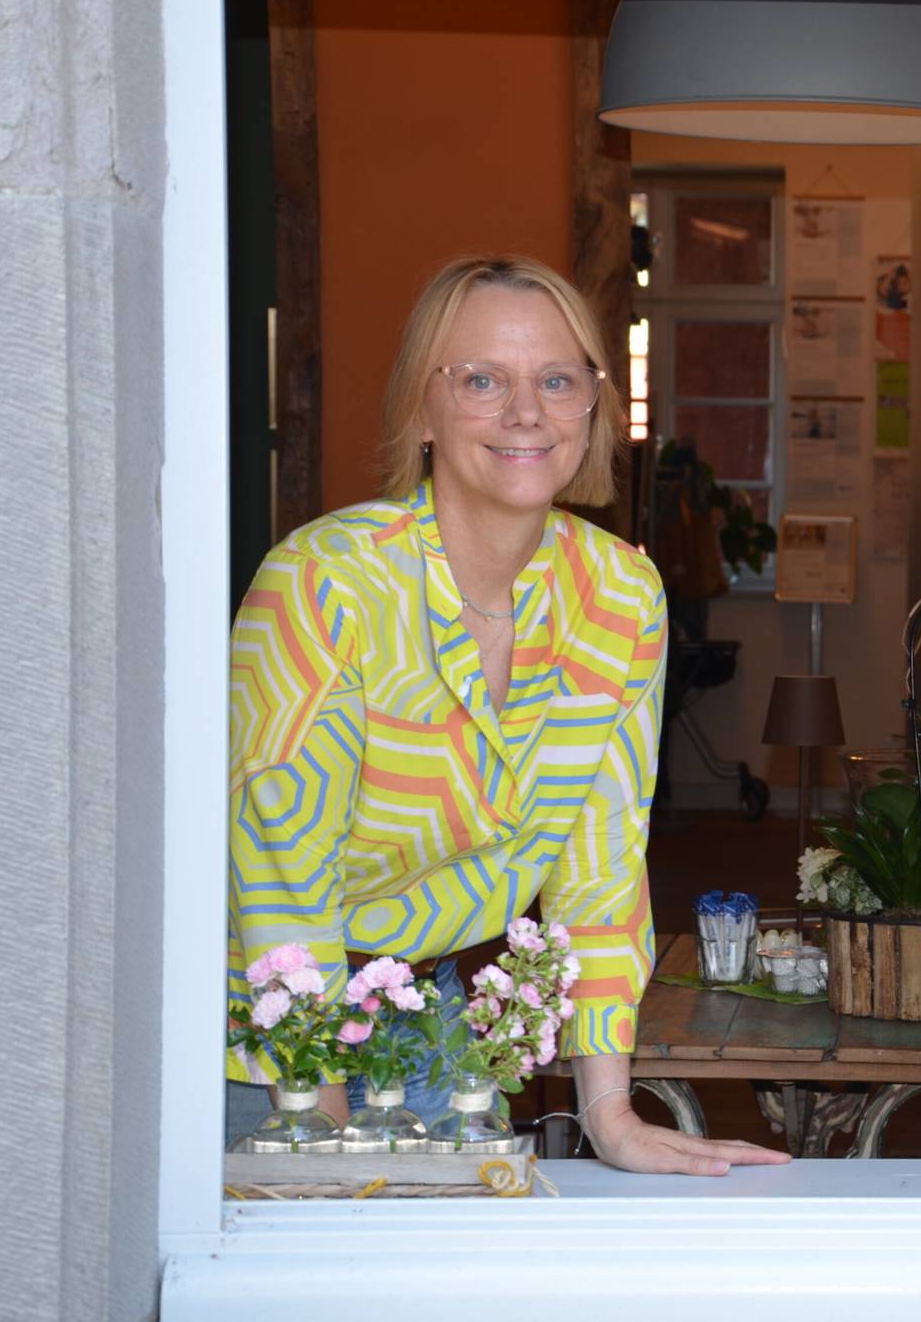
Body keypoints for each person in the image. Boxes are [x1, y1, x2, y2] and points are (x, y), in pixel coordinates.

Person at [225, 255, 788, 1177]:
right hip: (267, 1041)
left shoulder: (619, 593)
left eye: (557, 380)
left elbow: (601, 871)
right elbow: (284, 886)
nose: (526, 412)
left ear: (594, 408)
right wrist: (320, 1127)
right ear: (423, 408)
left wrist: (609, 1110)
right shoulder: (324, 583)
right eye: (483, 379)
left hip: (438, 1024)